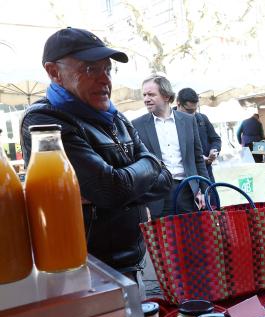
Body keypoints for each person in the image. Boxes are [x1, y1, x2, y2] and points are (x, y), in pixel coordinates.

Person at [20, 27, 172, 282]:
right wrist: (145, 168)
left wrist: (123, 184)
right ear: (54, 72)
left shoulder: (117, 118)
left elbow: (165, 179)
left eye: (107, 69)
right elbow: (109, 188)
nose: (105, 80)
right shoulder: (44, 120)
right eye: (90, 69)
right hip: (81, 269)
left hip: (131, 262)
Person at [132, 74, 209, 218]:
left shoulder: (188, 121)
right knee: (164, 240)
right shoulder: (137, 125)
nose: (146, 99)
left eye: (151, 94)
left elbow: (198, 159)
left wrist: (205, 191)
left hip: (188, 191)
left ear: (166, 96)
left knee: (191, 238)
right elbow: (136, 165)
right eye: (144, 95)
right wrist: (142, 204)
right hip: (157, 196)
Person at [175, 87, 222, 180]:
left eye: (195, 110)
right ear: (178, 103)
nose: (192, 114)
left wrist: (214, 150)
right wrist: (197, 159)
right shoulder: (169, 123)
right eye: (189, 111)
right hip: (186, 176)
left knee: (211, 194)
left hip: (206, 172)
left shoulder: (202, 118)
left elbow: (216, 139)